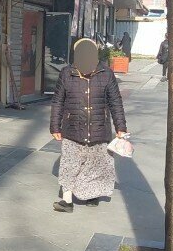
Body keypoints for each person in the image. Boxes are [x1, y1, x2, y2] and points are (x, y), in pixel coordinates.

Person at [49, 38, 128, 212]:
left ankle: (92, 195)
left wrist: (121, 127)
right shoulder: (66, 73)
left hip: (98, 129)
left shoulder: (106, 74)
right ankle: (67, 200)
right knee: (69, 164)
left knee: (95, 165)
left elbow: (115, 102)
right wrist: (55, 126)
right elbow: (58, 101)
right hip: (72, 128)